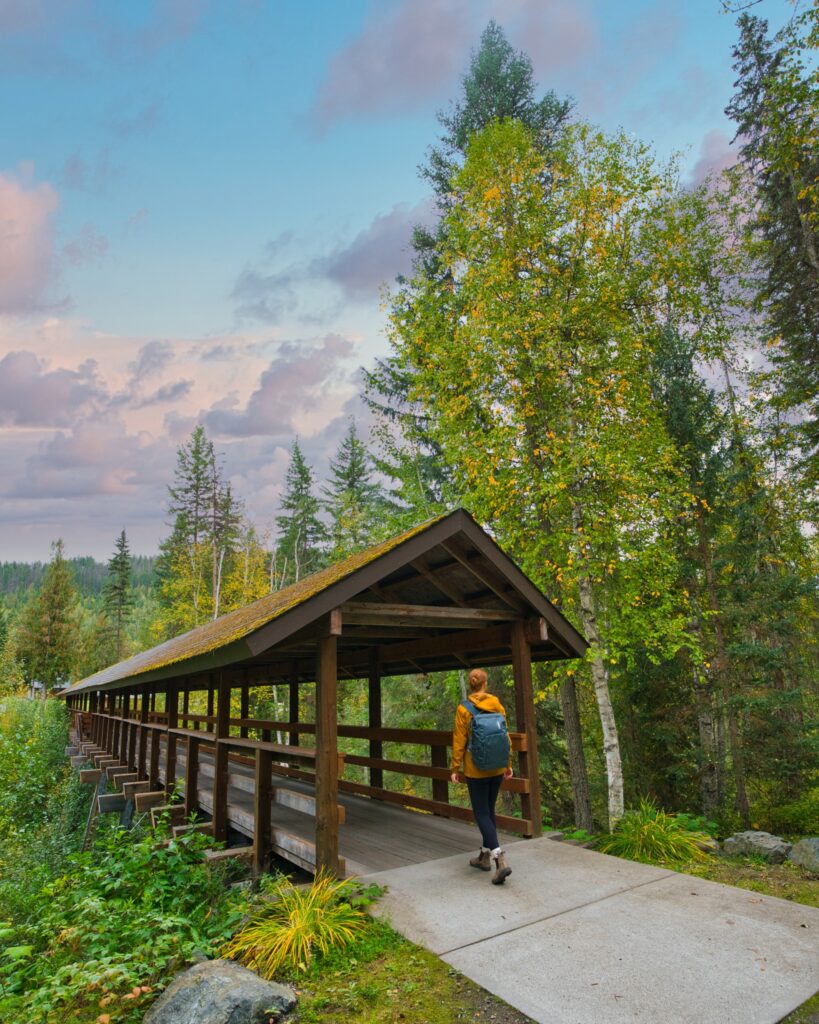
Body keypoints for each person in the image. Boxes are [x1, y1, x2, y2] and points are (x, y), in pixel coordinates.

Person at [450, 668, 513, 884]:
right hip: (496, 767)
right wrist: (508, 763)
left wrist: (455, 768)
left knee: (481, 813)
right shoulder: (496, 704)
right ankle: (484, 857)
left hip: (475, 769)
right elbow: (505, 736)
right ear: (485, 683)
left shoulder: (464, 709)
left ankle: (498, 857)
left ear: (471, 684)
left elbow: (459, 740)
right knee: (489, 811)